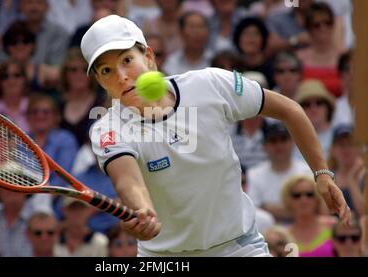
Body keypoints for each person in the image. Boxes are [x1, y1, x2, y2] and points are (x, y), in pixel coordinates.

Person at [80, 14, 351, 257]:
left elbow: (290, 110)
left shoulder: (210, 85)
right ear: (101, 82)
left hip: (239, 247)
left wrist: (322, 174)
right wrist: (143, 211)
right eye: (106, 71)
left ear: (149, 56)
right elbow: (129, 181)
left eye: (127, 60)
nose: (122, 76)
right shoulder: (107, 129)